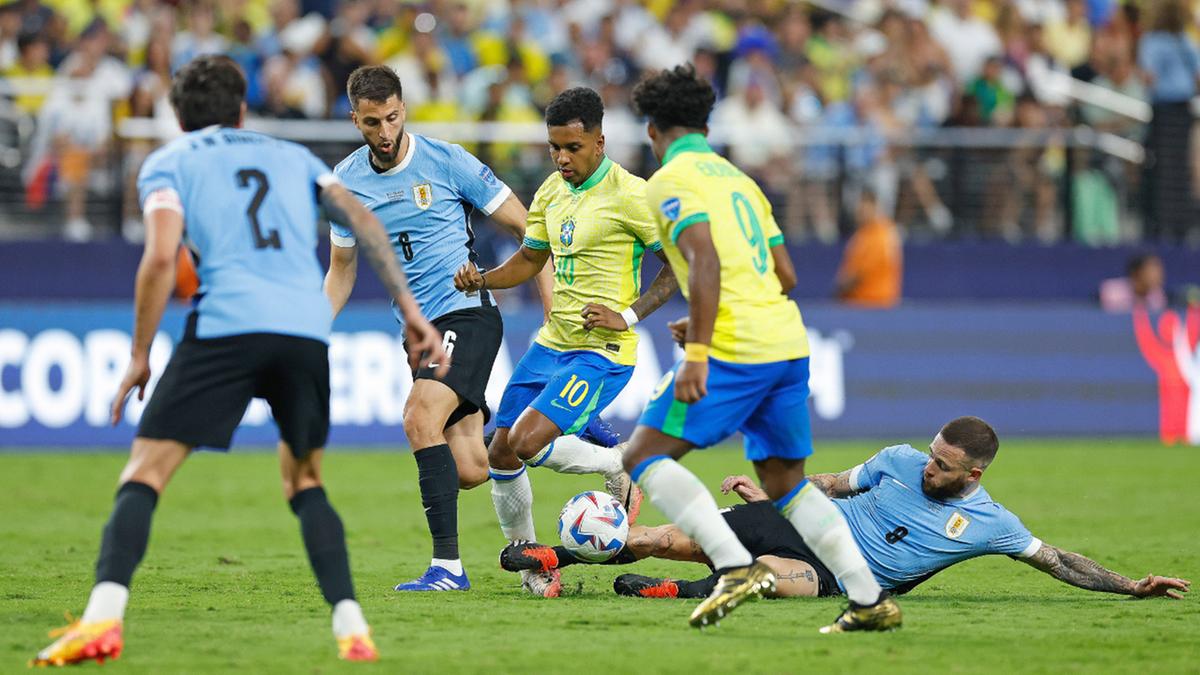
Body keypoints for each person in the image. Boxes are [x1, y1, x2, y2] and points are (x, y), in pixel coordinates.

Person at [32, 55, 447, 667]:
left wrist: (141, 353)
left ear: (177, 117)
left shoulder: (169, 163)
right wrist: (412, 312)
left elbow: (159, 259)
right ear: (243, 110)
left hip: (228, 324)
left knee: (144, 473)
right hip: (304, 330)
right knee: (305, 481)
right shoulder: (292, 158)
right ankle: (353, 629)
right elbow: (362, 223)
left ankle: (101, 621)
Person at [619, 64, 899, 634]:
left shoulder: (669, 181)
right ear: (705, 122)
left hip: (737, 348)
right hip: (789, 342)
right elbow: (786, 273)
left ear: (653, 130)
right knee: (786, 485)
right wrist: (714, 315)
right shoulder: (739, 180)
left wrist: (699, 347)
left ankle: (732, 566)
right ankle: (869, 601)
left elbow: (704, 259)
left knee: (641, 456)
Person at [503, 417, 1190, 603]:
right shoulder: (895, 458)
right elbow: (831, 482)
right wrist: (770, 492)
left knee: (773, 579)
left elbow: (1058, 558)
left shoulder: (991, 523)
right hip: (800, 520)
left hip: (839, 572)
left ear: (972, 474)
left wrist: (1130, 584)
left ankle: (666, 593)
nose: (928, 466)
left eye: (943, 466)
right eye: (930, 453)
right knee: (666, 534)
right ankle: (554, 554)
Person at [323, 64, 552, 593]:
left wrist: (550, 311)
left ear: (405, 109)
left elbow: (529, 230)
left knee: (418, 417)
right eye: (372, 122)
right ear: (354, 119)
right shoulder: (344, 184)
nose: (385, 132)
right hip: (417, 333)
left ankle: (447, 568)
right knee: (472, 467)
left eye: (393, 117)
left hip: (465, 311)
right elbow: (341, 271)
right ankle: (583, 455)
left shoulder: (447, 161)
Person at [454, 87, 679, 597]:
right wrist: (483, 279)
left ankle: (618, 463)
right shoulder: (551, 193)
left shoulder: (633, 195)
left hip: (602, 353)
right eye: (554, 147)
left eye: (572, 148)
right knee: (501, 454)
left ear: (600, 142)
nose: (561, 158)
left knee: (529, 442)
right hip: (551, 343)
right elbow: (531, 261)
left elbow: (676, 270)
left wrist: (628, 314)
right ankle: (536, 566)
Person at [834, 188, 902, 308]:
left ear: (875, 207)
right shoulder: (862, 233)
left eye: (864, 208)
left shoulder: (881, 234)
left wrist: (839, 290)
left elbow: (860, 275)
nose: (860, 212)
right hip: (858, 302)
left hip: (875, 303)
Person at [1099, 253, 1168, 313]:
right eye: (1152, 272)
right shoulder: (1112, 291)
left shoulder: (1158, 295)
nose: (1158, 276)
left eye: (1159, 272)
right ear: (1136, 272)